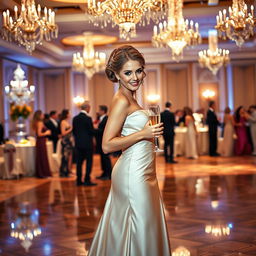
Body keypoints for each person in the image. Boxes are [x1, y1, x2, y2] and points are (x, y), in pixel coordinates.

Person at [88, 45, 171, 256]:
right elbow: (107, 145)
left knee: (143, 224)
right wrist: (143, 134)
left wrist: (147, 135)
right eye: (128, 72)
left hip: (144, 171)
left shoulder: (131, 98)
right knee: (141, 224)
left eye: (139, 70)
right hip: (132, 173)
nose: (135, 77)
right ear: (116, 75)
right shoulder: (121, 101)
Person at [73, 103, 96, 186]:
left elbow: (74, 131)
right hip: (87, 144)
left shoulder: (75, 118)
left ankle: (78, 180)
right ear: (87, 108)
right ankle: (87, 180)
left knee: (79, 163)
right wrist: (98, 131)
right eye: (89, 108)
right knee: (89, 162)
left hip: (78, 144)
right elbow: (91, 131)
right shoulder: (88, 118)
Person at [32, 110, 52, 178]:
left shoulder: (36, 122)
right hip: (41, 141)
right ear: (39, 115)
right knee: (42, 156)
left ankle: (41, 173)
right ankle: (43, 173)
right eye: (42, 114)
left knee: (41, 156)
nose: (43, 115)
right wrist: (47, 133)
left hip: (40, 141)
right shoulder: (40, 123)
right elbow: (39, 134)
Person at [95, 105, 112, 180]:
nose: (98, 111)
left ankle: (108, 174)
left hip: (104, 141)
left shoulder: (106, 119)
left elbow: (104, 130)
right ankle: (104, 173)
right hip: (100, 141)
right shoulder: (100, 118)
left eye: (99, 110)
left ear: (103, 111)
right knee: (102, 158)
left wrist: (95, 129)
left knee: (106, 158)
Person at [59, 109, 73, 177]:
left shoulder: (66, 122)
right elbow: (63, 133)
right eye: (69, 113)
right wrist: (71, 129)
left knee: (68, 156)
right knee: (65, 157)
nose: (70, 114)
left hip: (68, 141)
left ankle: (68, 171)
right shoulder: (63, 122)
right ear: (66, 114)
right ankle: (63, 172)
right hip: (65, 141)